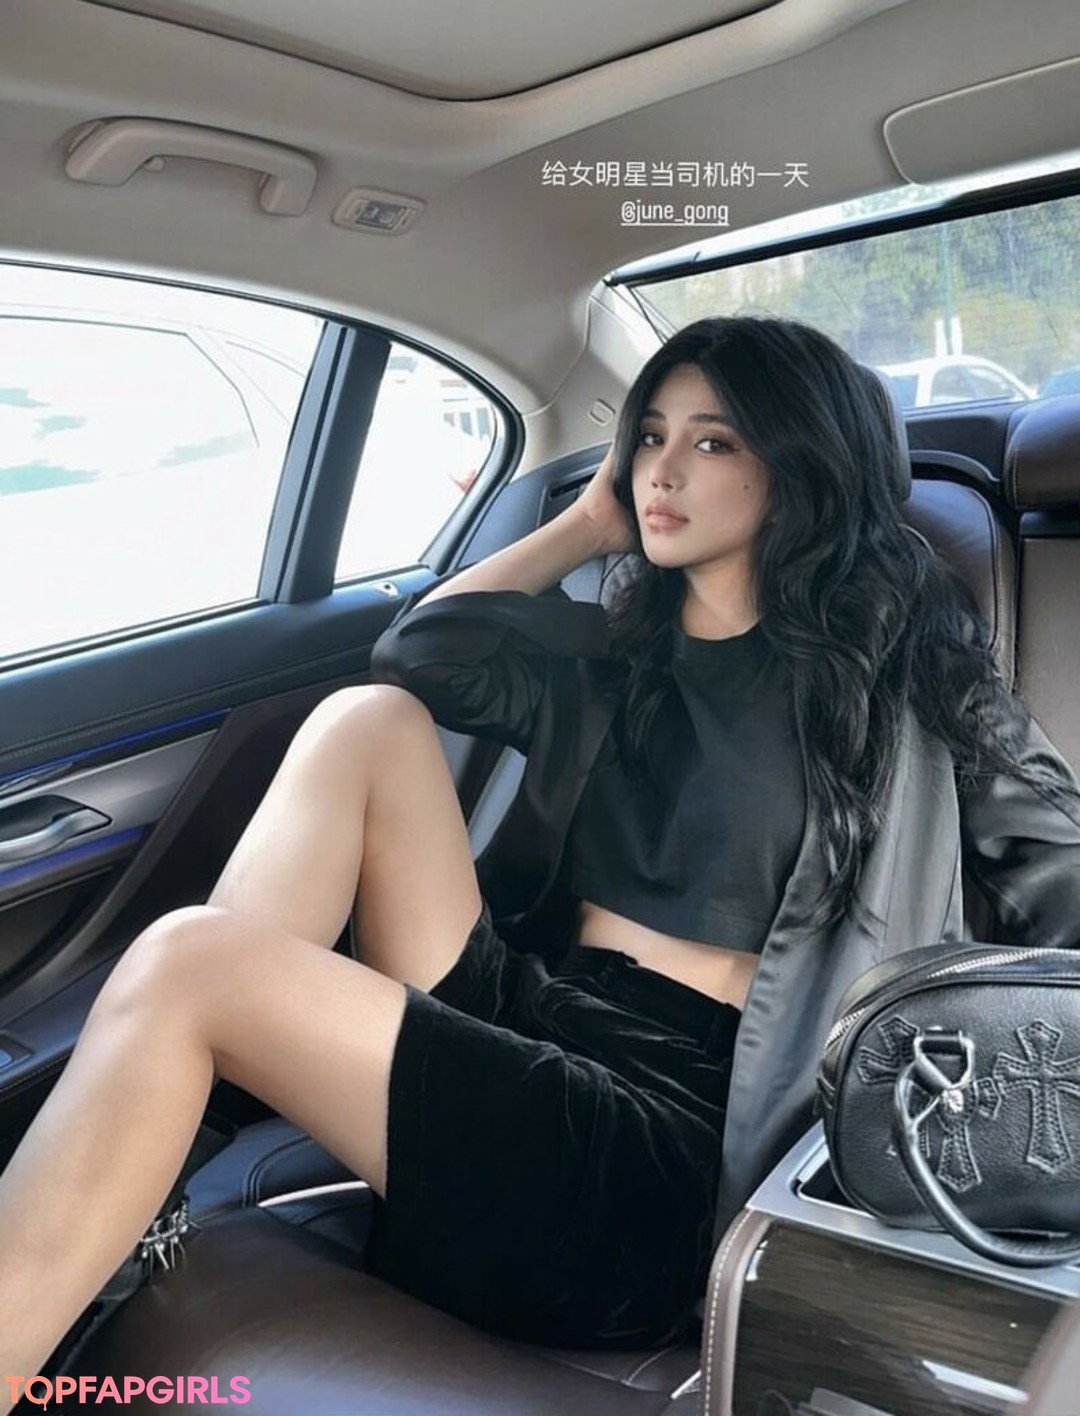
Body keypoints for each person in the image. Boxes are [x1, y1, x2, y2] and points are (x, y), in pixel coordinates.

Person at [2, 317, 1079, 1394]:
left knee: (189, 962)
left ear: (802, 463)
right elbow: (418, 652)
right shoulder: (611, 660)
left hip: (677, 1141)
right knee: (364, 721)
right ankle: (142, 1180)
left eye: (712, 442)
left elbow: (1059, 879)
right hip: (533, 1023)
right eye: (648, 437)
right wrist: (588, 526)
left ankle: (118, 1212)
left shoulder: (904, 681)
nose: (662, 469)